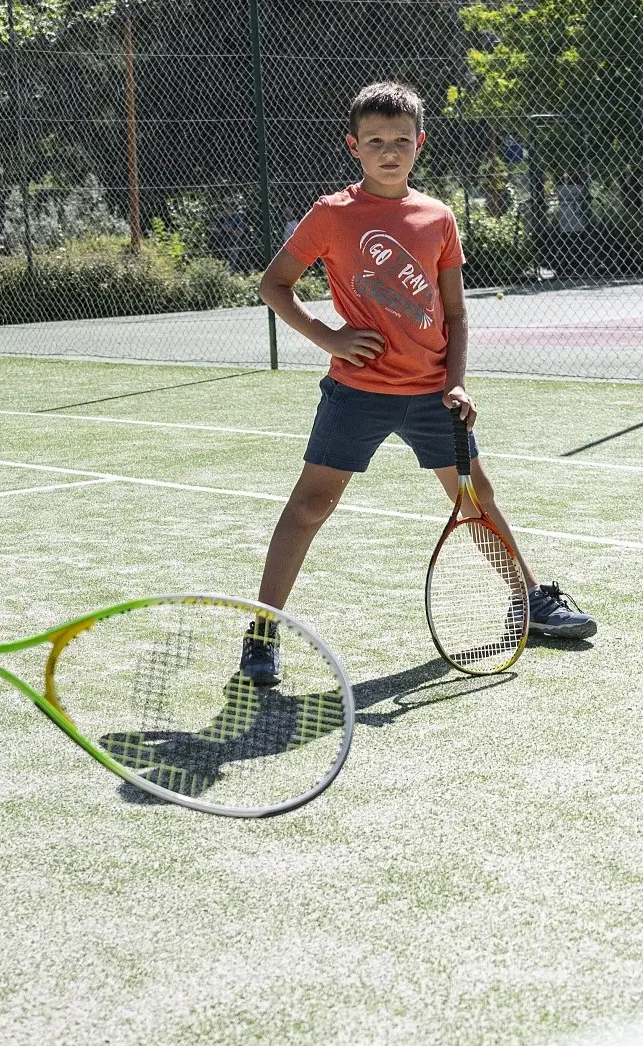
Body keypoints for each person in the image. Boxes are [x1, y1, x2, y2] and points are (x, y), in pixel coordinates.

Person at [243, 82, 595, 682]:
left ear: (420, 143)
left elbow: (455, 312)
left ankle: (531, 600)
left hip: (433, 396)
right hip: (356, 394)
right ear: (353, 145)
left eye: (401, 141)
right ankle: (262, 630)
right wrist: (330, 339)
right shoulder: (331, 214)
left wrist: (456, 383)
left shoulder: (438, 217)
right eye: (375, 141)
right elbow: (274, 285)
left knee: (476, 499)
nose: (389, 151)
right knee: (311, 506)